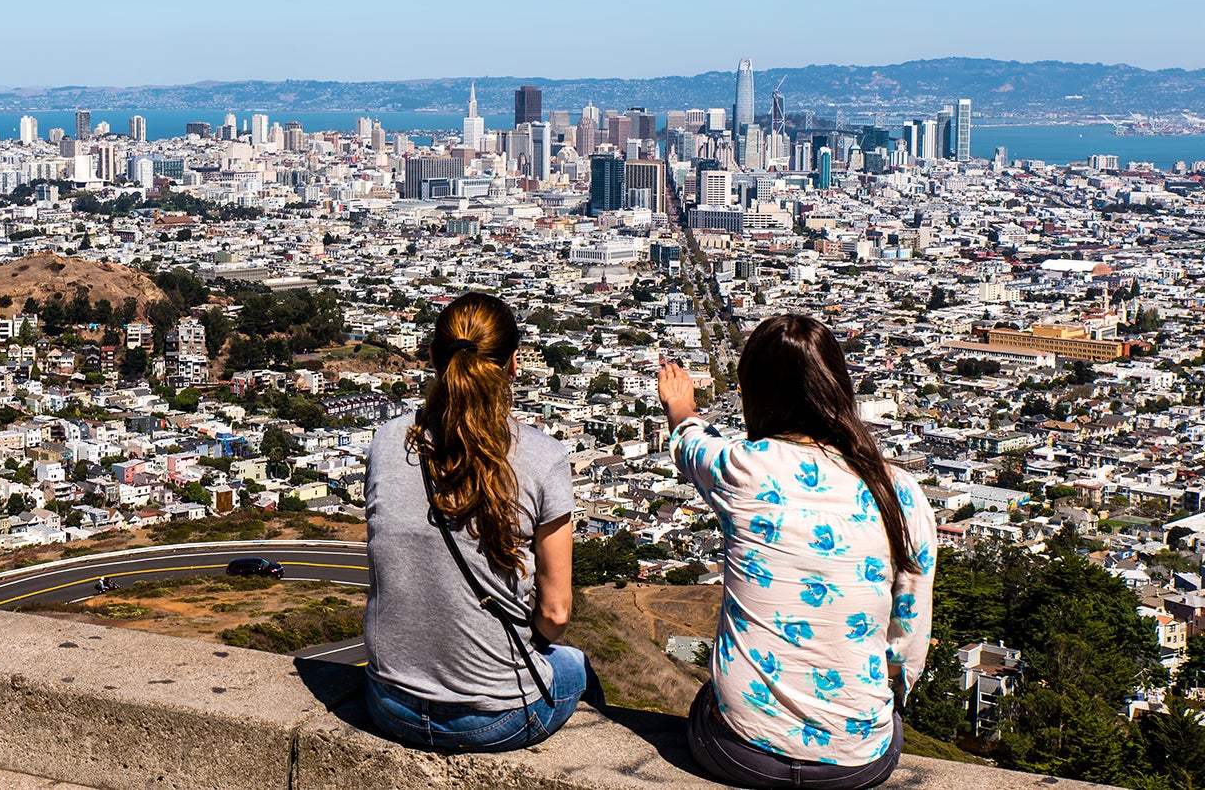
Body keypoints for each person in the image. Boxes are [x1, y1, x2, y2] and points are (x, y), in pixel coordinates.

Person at [658, 314, 938, 789]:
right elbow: (907, 642)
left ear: (755, 395)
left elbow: (690, 444)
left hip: (739, 749)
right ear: (838, 390)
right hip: (856, 762)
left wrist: (682, 407)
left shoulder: (741, 470)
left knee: (705, 699)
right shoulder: (900, 493)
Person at [363, 291, 601, 752]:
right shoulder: (542, 458)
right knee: (575, 666)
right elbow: (555, 613)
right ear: (515, 364)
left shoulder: (387, 441)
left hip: (389, 701)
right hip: (496, 717)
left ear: (433, 358)